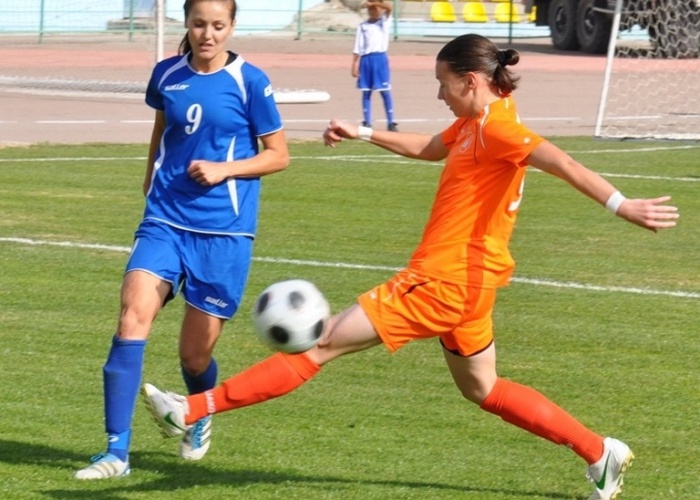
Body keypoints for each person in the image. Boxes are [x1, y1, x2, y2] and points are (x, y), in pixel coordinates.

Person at [140, 34, 679, 499]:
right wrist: (364, 132)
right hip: (471, 286)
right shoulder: (474, 124)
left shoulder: (499, 130)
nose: (440, 95)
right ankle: (599, 451)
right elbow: (429, 147)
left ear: (471, 81)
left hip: (444, 281)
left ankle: (191, 410)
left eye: (443, 84)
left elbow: (559, 160)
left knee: (320, 342)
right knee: (484, 389)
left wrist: (621, 205)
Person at [74, 0, 289, 480]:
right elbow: (163, 127)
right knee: (131, 318)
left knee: (194, 356)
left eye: (218, 25)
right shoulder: (166, 74)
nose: (207, 34)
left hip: (224, 232)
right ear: (187, 24)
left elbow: (278, 155)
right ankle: (115, 453)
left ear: (232, 27)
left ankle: (199, 410)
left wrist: (224, 169)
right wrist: (150, 174)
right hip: (165, 219)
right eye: (198, 24)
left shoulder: (250, 82)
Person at [352, 0, 398, 131]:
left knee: (385, 91)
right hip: (366, 60)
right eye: (370, 9)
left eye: (375, 8)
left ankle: (391, 122)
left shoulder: (384, 22)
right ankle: (367, 121)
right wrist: (355, 64)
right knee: (366, 91)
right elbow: (358, 46)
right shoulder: (363, 26)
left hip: (380, 59)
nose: (373, 11)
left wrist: (374, 4)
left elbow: (389, 8)